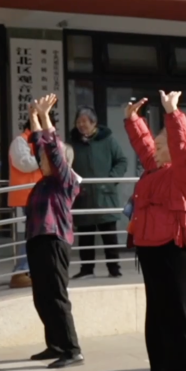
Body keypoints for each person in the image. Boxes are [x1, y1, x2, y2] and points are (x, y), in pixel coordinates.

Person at [124, 91, 186, 371]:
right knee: (157, 324)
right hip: (150, 249)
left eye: (162, 145)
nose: (156, 148)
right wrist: (133, 120)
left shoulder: (185, 173)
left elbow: (182, 146)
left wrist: (173, 114)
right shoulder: (156, 168)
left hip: (174, 250)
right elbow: (146, 146)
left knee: (178, 325)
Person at [24, 94, 84, 369]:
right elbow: (39, 143)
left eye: (46, 158)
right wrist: (33, 116)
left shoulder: (66, 180)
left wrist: (46, 117)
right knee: (42, 296)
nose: (41, 159)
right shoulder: (44, 181)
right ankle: (55, 345)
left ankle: (72, 349)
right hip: (37, 239)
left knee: (57, 296)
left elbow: (52, 148)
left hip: (54, 240)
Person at [70, 106, 128, 279]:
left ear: (93, 123)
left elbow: (121, 161)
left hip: (105, 195)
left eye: (84, 122)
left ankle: (114, 268)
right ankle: (87, 269)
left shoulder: (107, 140)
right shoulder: (72, 142)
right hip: (83, 196)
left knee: (109, 234)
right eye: (78, 122)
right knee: (85, 235)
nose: (81, 125)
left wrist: (111, 180)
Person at [8, 120, 44, 288]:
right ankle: (21, 270)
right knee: (33, 233)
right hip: (28, 196)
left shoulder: (43, 141)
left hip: (42, 194)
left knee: (39, 234)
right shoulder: (20, 141)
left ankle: (29, 270)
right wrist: (45, 157)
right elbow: (25, 164)